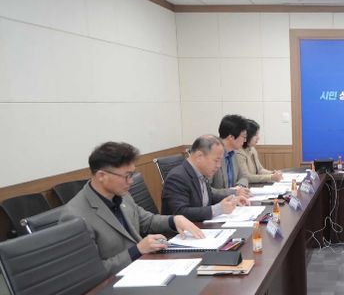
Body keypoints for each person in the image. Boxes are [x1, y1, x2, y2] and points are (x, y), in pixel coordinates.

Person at [60, 142, 204, 275]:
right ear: (101, 176)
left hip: (145, 267)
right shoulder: (74, 216)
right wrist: (137, 250)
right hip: (114, 283)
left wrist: (174, 220)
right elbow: (90, 272)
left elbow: (146, 220)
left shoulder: (122, 195)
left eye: (132, 174)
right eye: (127, 176)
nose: (131, 181)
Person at [162, 135, 249, 222]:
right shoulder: (177, 177)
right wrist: (217, 209)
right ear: (199, 156)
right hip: (184, 229)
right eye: (216, 160)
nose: (219, 165)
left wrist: (232, 200)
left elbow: (209, 196)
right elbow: (180, 213)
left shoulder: (200, 172)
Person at [211, 114, 251, 198]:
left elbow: (243, 177)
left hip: (233, 201)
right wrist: (232, 192)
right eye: (244, 137)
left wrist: (240, 187)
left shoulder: (233, 153)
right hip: (218, 203)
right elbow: (207, 190)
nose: (245, 140)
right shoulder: (212, 155)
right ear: (231, 137)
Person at [236, 119, 282, 183]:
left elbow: (260, 170)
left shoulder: (252, 149)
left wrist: (272, 173)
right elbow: (246, 177)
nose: (258, 137)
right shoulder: (239, 152)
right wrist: (270, 177)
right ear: (247, 136)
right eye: (255, 135)